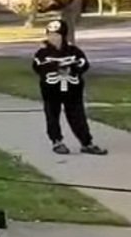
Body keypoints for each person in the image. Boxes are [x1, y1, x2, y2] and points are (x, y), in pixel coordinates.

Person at [32, 20, 107, 155]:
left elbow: (84, 64)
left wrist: (72, 68)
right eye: (50, 35)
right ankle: (57, 141)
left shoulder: (74, 51)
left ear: (63, 36)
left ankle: (86, 143)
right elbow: (38, 66)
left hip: (73, 90)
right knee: (52, 114)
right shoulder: (42, 53)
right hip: (51, 90)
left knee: (78, 115)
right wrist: (55, 68)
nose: (53, 37)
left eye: (56, 35)